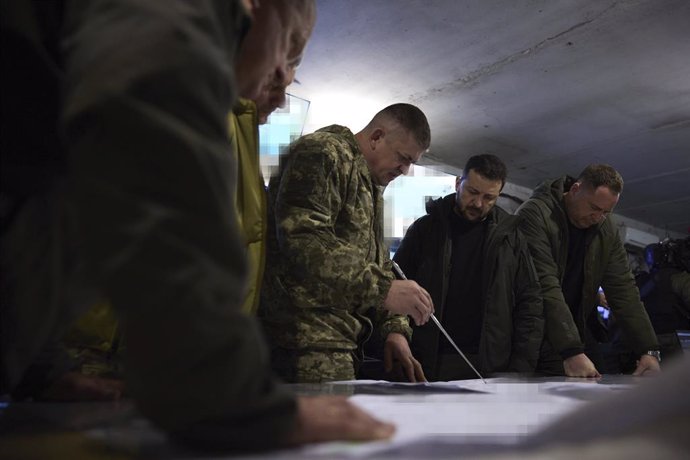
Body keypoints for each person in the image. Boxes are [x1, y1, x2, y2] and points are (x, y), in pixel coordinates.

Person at [1, 0, 395, 451]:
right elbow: (165, 211)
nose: (285, 81)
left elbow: (39, 196)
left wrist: (41, 367)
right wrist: (227, 400)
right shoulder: (172, 17)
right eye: (290, 50)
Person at [260, 103, 434, 383]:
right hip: (302, 340)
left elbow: (375, 263)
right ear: (377, 136)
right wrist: (383, 288)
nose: (404, 170)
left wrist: (394, 329)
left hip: (337, 343)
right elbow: (303, 241)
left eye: (411, 163)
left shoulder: (371, 187)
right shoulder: (324, 153)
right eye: (402, 158)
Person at [392, 154, 543, 380]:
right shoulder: (426, 230)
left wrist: (520, 370)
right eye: (472, 192)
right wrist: (397, 335)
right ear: (457, 184)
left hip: (488, 364)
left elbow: (530, 302)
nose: (479, 204)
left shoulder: (511, 238)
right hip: (426, 358)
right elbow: (395, 285)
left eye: (489, 197)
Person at [516, 164, 661, 378]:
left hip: (577, 331)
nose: (598, 217)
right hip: (534, 333)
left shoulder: (605, 227)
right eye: (594, 207)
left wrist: (648, 349)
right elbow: (544, 285)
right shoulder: (535, 214)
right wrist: (571, 350)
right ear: (574, 190)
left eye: (605, 212)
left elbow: (623, 289)